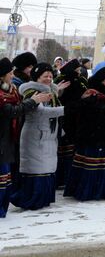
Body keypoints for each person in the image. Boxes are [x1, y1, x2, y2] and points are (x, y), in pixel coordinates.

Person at [64, 67, 105, 201]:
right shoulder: (91, 94)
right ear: (101, 80)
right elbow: (80, 112)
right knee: (93, 165)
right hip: (93, 137)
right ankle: (91, 191)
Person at [11, 63, 68, 210]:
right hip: (35, 134)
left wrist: (57, 90)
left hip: (48, 133)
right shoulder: (31, 91)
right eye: (45, 76)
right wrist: (66, 110)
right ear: (37, 77)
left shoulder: (51, 92)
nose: (49, 79)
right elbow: (41, 112)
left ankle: (43, 199)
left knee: (46, 167)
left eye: (50, 76)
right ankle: (30, 199)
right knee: (35, 168)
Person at [0, 58, 50, 217]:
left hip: (7, 138)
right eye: (9, 73)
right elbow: (12, 111)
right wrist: (34, 101)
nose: (12, 75)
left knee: (6, 178)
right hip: (2, 139)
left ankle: (3, 208)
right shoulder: (2, 94)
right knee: (3, 176)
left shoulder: (11, 90)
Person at [54, 59, 88, 187]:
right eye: (77, 71)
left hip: (77, 118)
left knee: (72, 148)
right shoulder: (61, 81)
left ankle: (70, 176)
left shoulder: (82, 81)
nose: (79, 73)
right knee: (64, 148)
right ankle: (62, 177)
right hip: (65, 116)